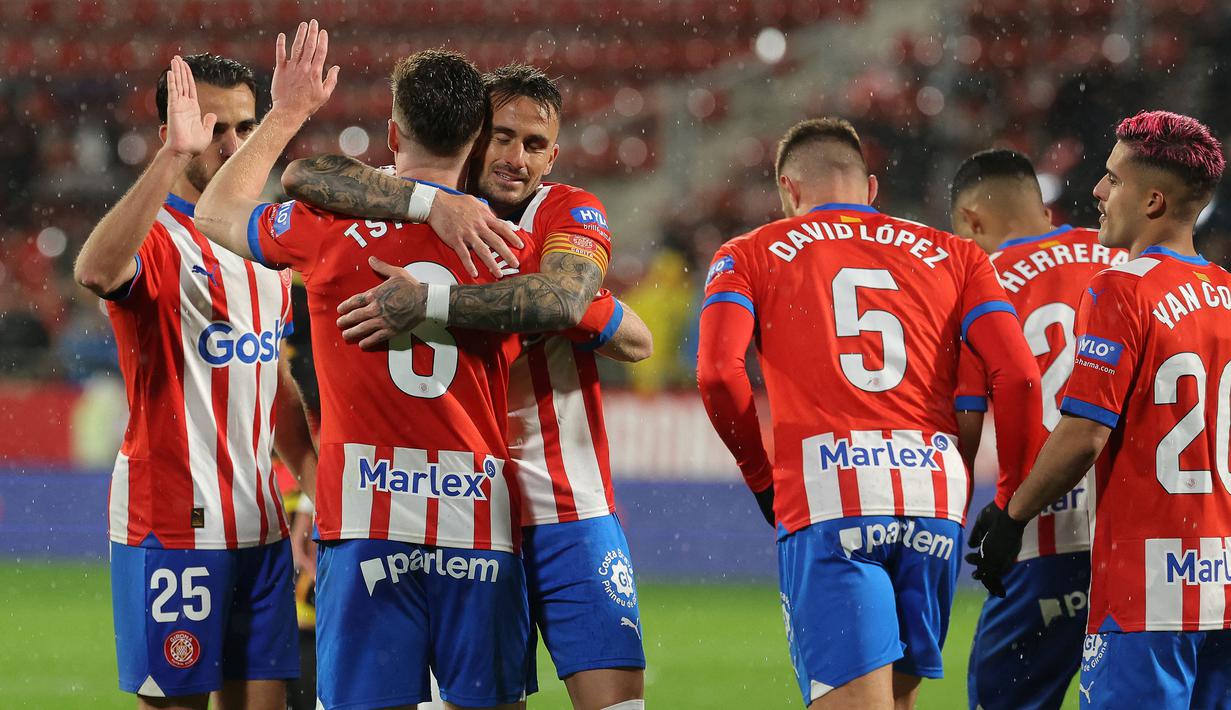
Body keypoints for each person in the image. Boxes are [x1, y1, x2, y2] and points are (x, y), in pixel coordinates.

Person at [194, 24, 547, 709]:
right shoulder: (516, 248)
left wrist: (287, 113)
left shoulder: (326, 227)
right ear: (478, 139)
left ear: (392, 133)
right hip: (477, 517)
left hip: (364, 516)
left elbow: (215, 213)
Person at [280, 64, 652, 710]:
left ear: (553, 156)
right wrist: (428, 204)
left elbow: (615, 328)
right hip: (462, 507)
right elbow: (303, 176)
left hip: (565, 504)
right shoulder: (408, 206)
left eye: (534, 145)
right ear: (474, 136)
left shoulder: (563, 213)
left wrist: (432, 302)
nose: (515, 158)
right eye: (502, 137)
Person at [696, 117, 1042, 710]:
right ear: (871, 188)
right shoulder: (958, 255)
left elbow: (717, 373)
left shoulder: (749, 253)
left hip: (831, 492)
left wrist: (760, 476)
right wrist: (1011, 500)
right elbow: (1019, 376)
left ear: (789, 189)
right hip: (933, 498)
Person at [72, 53, 318, 709]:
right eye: (213, 129)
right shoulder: (154, 236)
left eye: (245, 127)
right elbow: (96, 271)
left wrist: (317, 486)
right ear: (173, 133)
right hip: (173, 525)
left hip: (262, 524)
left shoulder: (268, 249)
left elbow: (272, 381)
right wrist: (171, 161)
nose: (233, 145)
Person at [968, 110, 1231, 709]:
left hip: (1145, 595)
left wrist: (1012, 515)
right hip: (1222, 584)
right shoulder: (1226, 292)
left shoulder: (1122, 288)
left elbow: (1085, 432)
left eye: (1113, 179)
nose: (1097, 191)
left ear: (1153, 200)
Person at [949, 149, 1127, 710]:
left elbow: (964, 424)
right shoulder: (1121, 255)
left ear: (971, 221)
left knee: (1003, 699)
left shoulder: (979, 281)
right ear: (1044, 211)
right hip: (1139, 529)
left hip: (1042, 525)